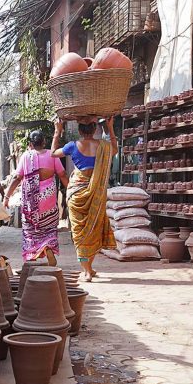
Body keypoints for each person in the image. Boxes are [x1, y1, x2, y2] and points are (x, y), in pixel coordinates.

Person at [51, 117, 117, 281]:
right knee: (93, 229)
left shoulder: (72, 146)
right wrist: (110, 127)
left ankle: (87, 270)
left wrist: (57, 131)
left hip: (76, 194)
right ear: (95, 129)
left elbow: (53, 153)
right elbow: (115, 148)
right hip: (96, 193)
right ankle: (89, 269)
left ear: (80, 130)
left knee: (80, 233)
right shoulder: (103, 146)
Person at [3, 130, 66, 265]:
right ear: (44, 142)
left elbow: (17, 178)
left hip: (32, 205)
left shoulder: (26, 156)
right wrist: (72, 192)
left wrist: (7, 196)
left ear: (30, 144)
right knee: (49, 228)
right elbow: (63, 175)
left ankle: (34, 256)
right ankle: (48, 246)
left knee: (30, 231)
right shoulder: (52, 155)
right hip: (48, 202)